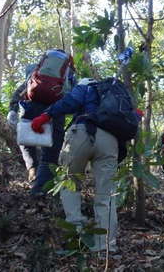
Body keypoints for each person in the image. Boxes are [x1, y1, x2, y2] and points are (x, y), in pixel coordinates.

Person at [31, 77, 142, 252]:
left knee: (69, 183)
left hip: (83, 132)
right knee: (106, 196)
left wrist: (46, 115)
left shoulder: (87, 85)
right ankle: (105, 247)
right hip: (110, 142)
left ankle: (78, 234)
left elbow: (69, 102)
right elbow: (132, 120)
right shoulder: (119, 99)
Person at [7, 50, 76, 196]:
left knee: (25, 140)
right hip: (55, 111)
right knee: (50, 154)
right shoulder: (68, 73)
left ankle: (32, 167)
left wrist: (13, 109)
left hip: (30, 107)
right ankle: (40, 191)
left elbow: (22, 89)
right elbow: (73, 97)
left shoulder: (35, 69)